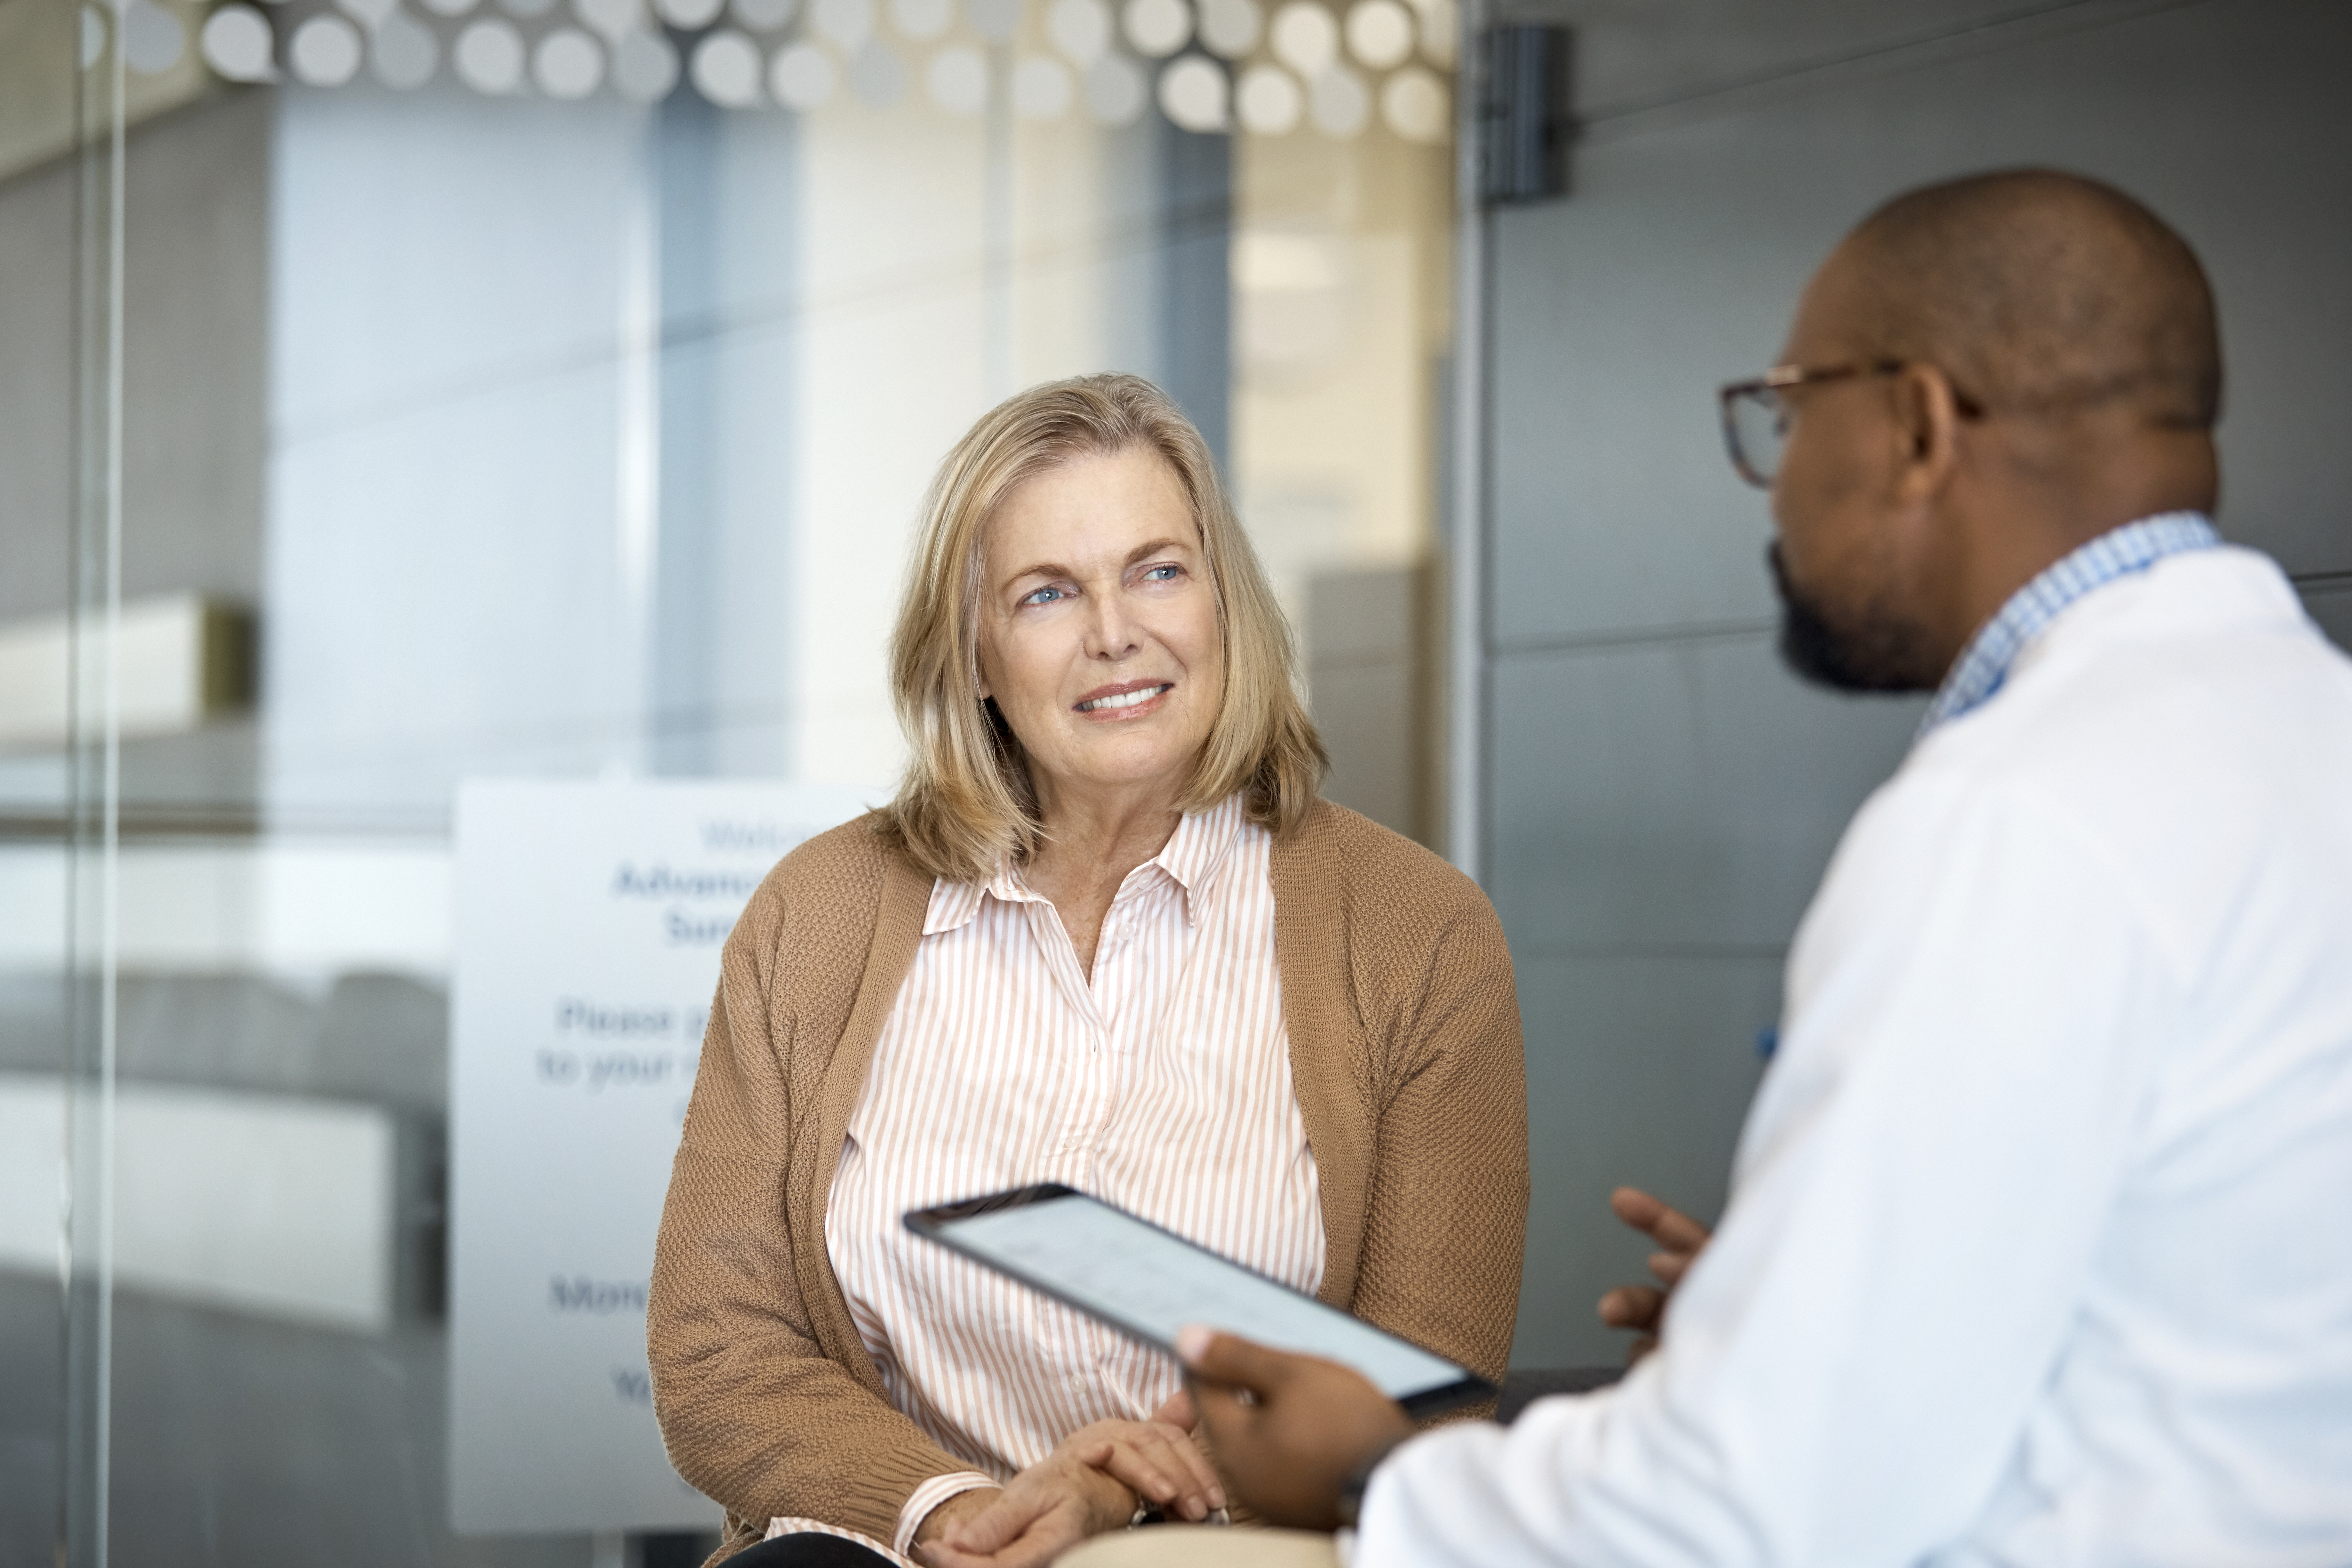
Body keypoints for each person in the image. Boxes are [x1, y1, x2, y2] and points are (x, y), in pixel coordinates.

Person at [1066, 169, 2352, 1567]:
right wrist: (1775, 1321)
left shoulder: (2015, 817)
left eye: (1789, 413)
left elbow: (1760, 1504)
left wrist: (1383, 1476)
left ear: (1916, 424)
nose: (1775, 480)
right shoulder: (2299, 732)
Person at [644, 373, 1529, 1568]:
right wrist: (956, 1506)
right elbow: (717, 1350)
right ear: (976, 656)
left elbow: (1428, 1392)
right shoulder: (819, 914)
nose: (1116, 630)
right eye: (1048, 592)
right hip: (893, 1549)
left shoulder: (1415, 931)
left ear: (1228, 604)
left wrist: (1132, 1497)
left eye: (1159, 570)